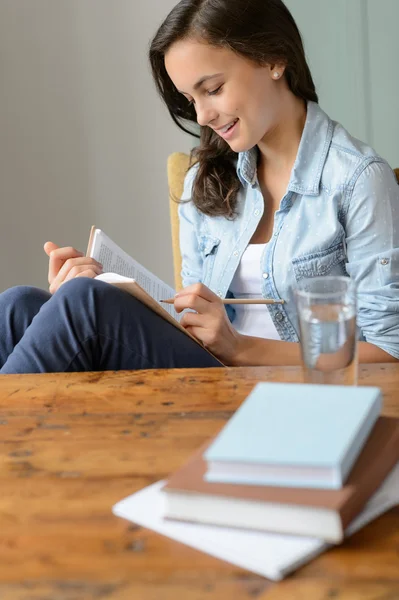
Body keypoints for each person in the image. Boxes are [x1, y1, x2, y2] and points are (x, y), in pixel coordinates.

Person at [1, 0, 398, 374]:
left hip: (287, 392)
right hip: (208, 378)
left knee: (82, 305)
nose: (202, 116)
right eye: (190, 98)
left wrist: (241, 347)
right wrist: (110, 290)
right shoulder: (204, 180)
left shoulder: (358, 180)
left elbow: (391, 352)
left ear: (274, 58)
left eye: (213, 89)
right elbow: (187, 323)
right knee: (17, 304)